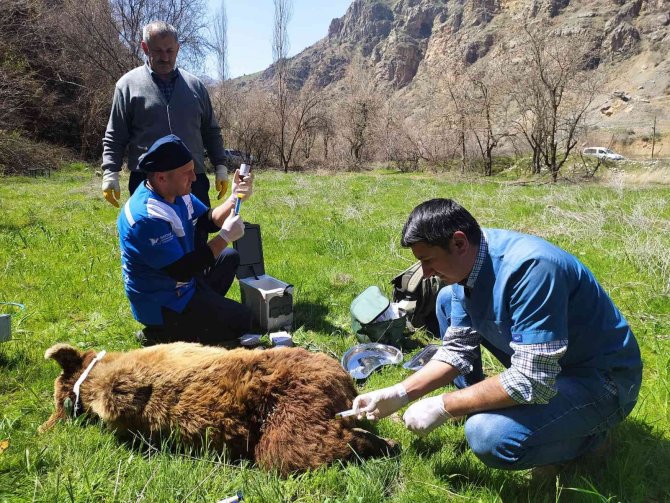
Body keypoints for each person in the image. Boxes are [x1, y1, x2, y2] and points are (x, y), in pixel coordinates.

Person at [353, 198, 642, 471]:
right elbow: (457, 351)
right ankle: (482, 405)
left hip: (602, 381)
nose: (425, 273)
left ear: (458, 242)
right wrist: (401, 393)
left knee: (488, 435)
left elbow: (533, 381)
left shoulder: (532, 270)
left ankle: (590, 440)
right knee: (444, 301)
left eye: (428, 261)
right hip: (553, 366)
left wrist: (444, 406)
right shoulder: (468, 264)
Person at [101, 21, 230, 247]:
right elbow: (115, 134)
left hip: (193, 179)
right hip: (148, 181)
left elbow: (211, 130)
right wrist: (110, 172)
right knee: (155, 244)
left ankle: (197, 282)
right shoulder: (128, 85)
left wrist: (220, 166)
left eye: (170, 50)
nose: (165, 57)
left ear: (178, 48)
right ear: (144, 48)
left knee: (197, 240)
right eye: (157, 51)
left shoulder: (195, 87)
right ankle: (155, 283)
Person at [117, 134, 253, 345]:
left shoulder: (178, 192)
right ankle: (161, 333)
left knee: (229, 257)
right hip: (162, 300)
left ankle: (201, 313)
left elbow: (208, 220)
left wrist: (234, 197)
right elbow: (181, 270)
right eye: (187, 173)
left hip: (182, 282)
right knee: (243, 321)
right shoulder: (146, 218)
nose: (194, 177)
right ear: (162, 177)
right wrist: (225, 236)